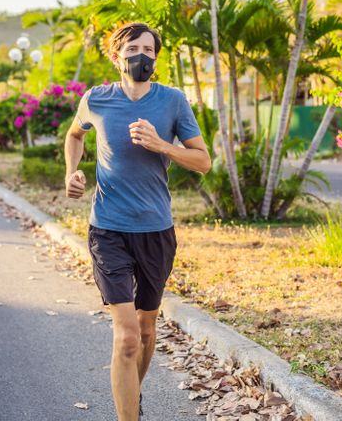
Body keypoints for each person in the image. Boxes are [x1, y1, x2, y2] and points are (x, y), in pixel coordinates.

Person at [64, 22, 211, 421]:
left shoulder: (173, 101)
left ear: (157, 59)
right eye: (133, 48)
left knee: (147, 330)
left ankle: (131, 393)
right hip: (108, 228)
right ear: (117, 56)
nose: (141, 55)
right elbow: (74, 136)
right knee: (127, 337)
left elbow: (203, 161)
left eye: (149, 49)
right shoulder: (96, 99)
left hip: (156, 230)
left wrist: (163, 145)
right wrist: (72, 173)